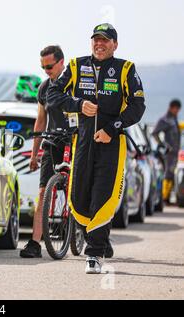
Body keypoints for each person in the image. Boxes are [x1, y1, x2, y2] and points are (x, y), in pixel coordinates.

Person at [47, 23, 146, 273]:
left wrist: (112, 128)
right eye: (96, 39)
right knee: (79, 196)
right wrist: (78, 104)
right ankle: (98, 234)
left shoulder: (125, 69)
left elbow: (138, 106)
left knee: (104, 194)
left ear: (115, 44)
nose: (99, 44)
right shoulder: (75, 66)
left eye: (105, 40)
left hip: (111, 144)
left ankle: (94, 253)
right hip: (82, 140)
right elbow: (53, 95)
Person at [20, 45, 70, 258]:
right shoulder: (44, 88)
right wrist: (34, 154)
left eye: (50, 66)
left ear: (61, 62)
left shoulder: (75, 83)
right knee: (43, 192)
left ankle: (97, 237)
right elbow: (41, 121)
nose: (47, 70)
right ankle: (34, 243)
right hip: (53, 143)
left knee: (81, 192)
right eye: (43, 67)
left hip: (76, 142)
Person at [152, 99, 182, 203]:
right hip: (168, 153)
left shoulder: (174, 119)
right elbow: (154, 133)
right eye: (176, 109)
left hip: (175, 153)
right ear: (172, 108)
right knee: (167, 174)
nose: (177, 111)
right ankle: (164, 198)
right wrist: (163, 145)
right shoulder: (165, 120)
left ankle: (167, 197)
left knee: (172, 174)